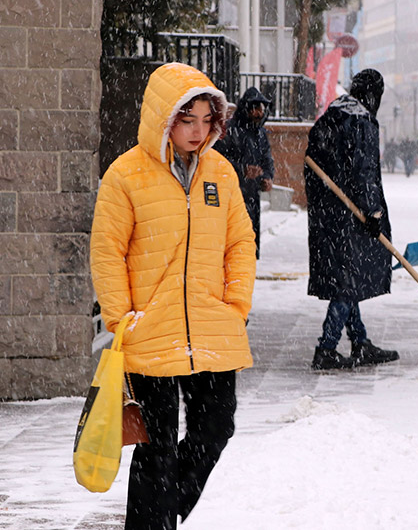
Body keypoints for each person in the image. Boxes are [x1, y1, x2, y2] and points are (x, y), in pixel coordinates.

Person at [90, 62, 256, 530]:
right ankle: (155, 520)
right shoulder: (126, 175)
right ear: (164, 117)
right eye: (187, 120)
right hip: (150, 329)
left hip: (212, 325)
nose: (198, 132)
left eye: (206, 120)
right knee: (155, 447)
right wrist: (123, 318)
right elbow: (107, 250)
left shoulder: (220, 173)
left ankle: (159, 513)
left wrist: (236, 305)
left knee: (216, 426)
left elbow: (240, 242)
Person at [304, 68, 400, 371]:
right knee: (347, 283)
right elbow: (364, 171)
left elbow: (312, 167)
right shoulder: (361, 122)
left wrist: (324, 206)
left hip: (328, 215)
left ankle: (360, 342)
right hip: (351, 217)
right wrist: (373, 212)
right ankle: (327, 347)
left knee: (348, 277)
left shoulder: (329, 118)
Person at [214, 86, 275, 258]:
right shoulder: (229, 130)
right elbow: (218, 160)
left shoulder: (260, 134)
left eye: (261, 109)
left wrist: (267, 177)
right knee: (233, 240)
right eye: (255, 109)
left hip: (252, 195)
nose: (258, 113)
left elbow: (267, 160)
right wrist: (242, 170)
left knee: (249, 240)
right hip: (232, 194)